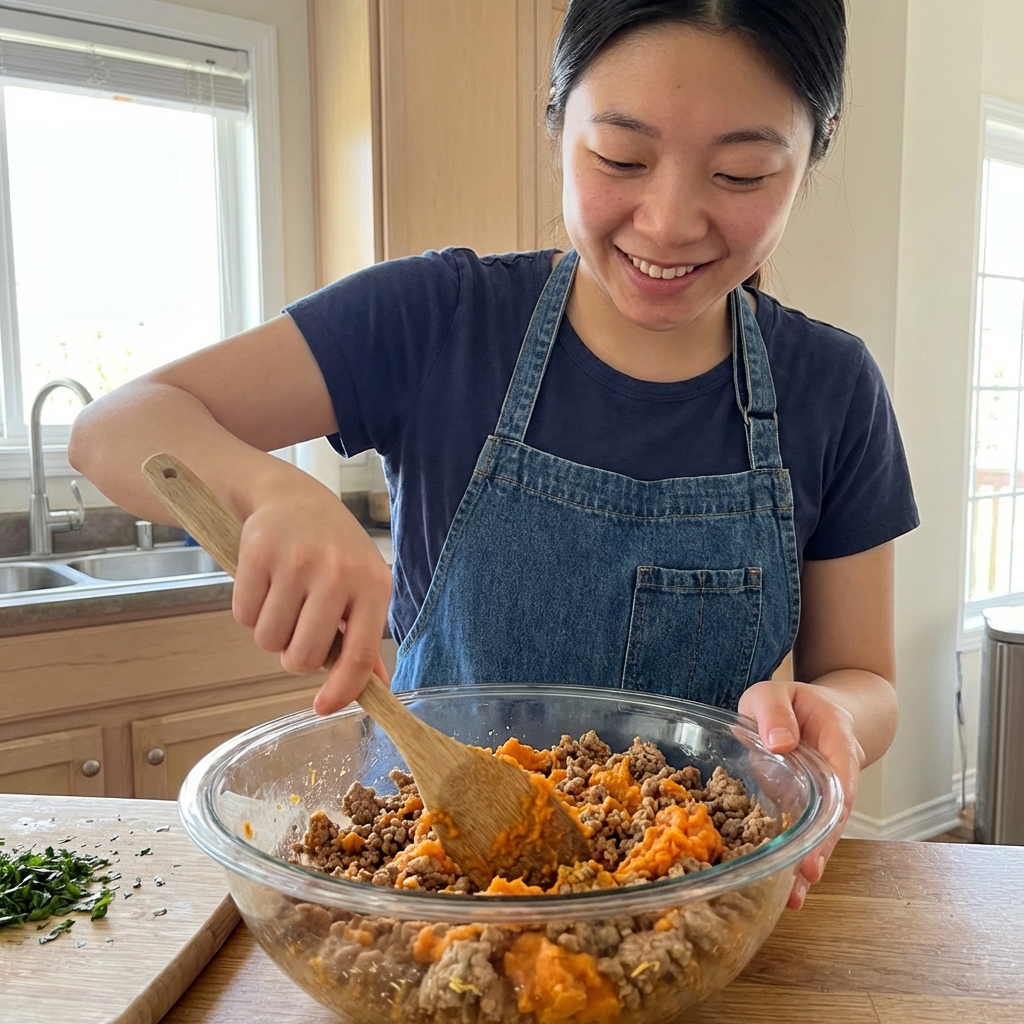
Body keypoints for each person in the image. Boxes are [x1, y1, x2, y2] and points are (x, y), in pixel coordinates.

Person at [69, 0, 918, 908]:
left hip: (697, 896)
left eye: (743, 173)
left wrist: (837, 717)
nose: (669, 222)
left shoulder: (832, 386)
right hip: (421, 893)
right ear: (558, 125)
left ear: (811, 155)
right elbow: (115, 425)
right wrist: (265, 488)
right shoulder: (439, 320)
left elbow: (865, 679)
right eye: (621, 159)